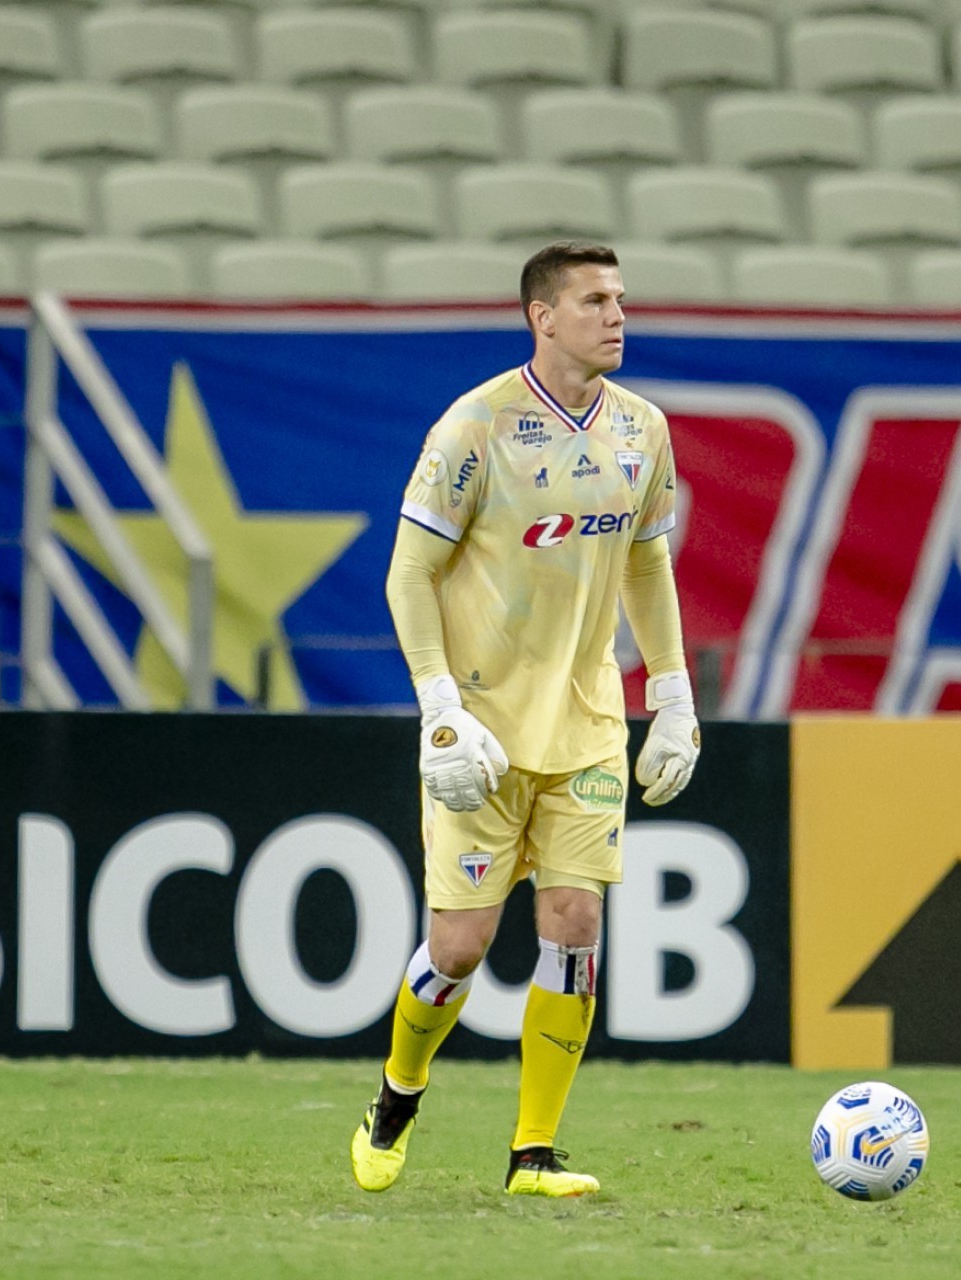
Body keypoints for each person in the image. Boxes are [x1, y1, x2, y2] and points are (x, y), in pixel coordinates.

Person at [349, 241, 700, 1198]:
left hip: (588, 722)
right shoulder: (477, 425)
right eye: (594, 301)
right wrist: (438, 707)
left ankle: (533, 1153)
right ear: (543, 317)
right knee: (459, 947)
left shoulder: (643, 429)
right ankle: (397, 1094)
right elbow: (409, 573)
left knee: (575, 923)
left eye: (620, 299)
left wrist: (672, 694)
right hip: (484, 730)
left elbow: (646, 561)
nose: (617, 316)